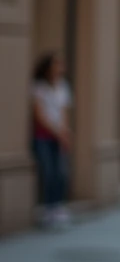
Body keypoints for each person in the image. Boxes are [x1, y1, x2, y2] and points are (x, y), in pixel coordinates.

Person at [31, 52, 73, 230]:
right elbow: (39, 115)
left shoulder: (63, 86)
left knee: (61, 173)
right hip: (43, 137)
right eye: (57, 64)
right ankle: (48, 209)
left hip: (58, 136)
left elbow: (64, 112)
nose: (60, 68)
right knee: (48, 172)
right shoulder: (38, 87)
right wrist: (57, 132)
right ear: (48, 67)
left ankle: (57, 206)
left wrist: (65, 132)